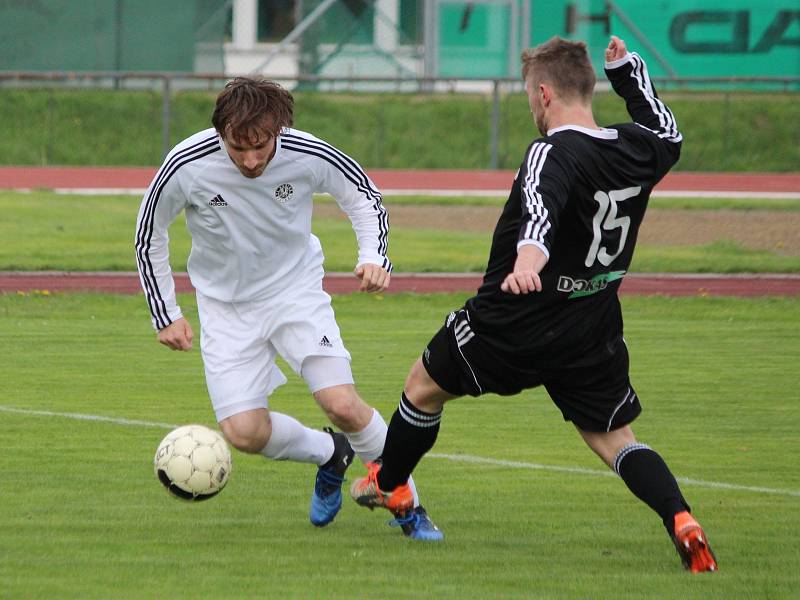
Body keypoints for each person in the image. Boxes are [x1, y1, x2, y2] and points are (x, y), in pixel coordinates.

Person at [350, 35, 717, 571]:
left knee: (423, 387)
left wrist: (529, 262)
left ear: (544, 94)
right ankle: (682, 519)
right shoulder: (639, 147)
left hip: (515, 319)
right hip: (591, 323)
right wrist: (629, 72)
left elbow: (540, 213)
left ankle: (390, 483)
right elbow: (669, 131)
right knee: (615, 439)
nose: (529, 106)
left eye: (528, 96)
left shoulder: (552, 150)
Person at [134, 77, 442, 540]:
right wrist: (166, 312)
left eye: (261, 146)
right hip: (225, 308)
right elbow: (148, 235)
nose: (251, 160)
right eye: (238, 148)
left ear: (279, 129)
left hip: (294, 294)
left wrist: (374, 256)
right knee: (244, 433)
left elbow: (364, 196)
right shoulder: (186, 163)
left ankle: (406, 503)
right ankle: (329, 453)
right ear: (221, 133)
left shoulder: (307, 152)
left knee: (341, 403)